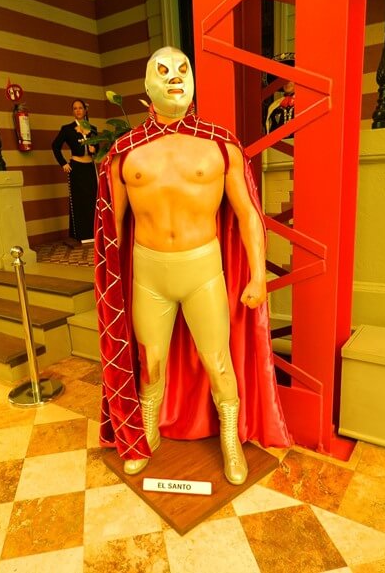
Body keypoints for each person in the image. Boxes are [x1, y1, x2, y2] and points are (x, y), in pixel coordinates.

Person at [95, 47, 290, 486]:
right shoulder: (125, 152)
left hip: (203, 268)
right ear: (147, 84)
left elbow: (248, 214)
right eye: (163, 70)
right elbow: (113, 228)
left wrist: (258, 275)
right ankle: (145, 433)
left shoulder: (220, 144)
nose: (174, 77)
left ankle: (229, 439)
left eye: (182, 69)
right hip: (149, 271)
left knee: (218, 361)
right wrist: (112, 286)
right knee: (151, 360)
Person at [52, 99, 98, 243]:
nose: (78, 110)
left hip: (90, 168)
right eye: (75, 108)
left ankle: (94, 233)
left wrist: (94, 149)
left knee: (93, 200)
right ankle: (81, 235)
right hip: (77, 167)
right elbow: (55, 146)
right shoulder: (67, 129)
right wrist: (63, 163)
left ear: (85, 110)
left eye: (80, 108)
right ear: (73, 111)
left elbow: (97, 146)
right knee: (79, 201)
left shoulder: (93, 129)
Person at [265, 53, 295, 136]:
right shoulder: (273, 107)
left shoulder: (307, 104)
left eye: (290, 77)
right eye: (282, 78)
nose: (286, 82)